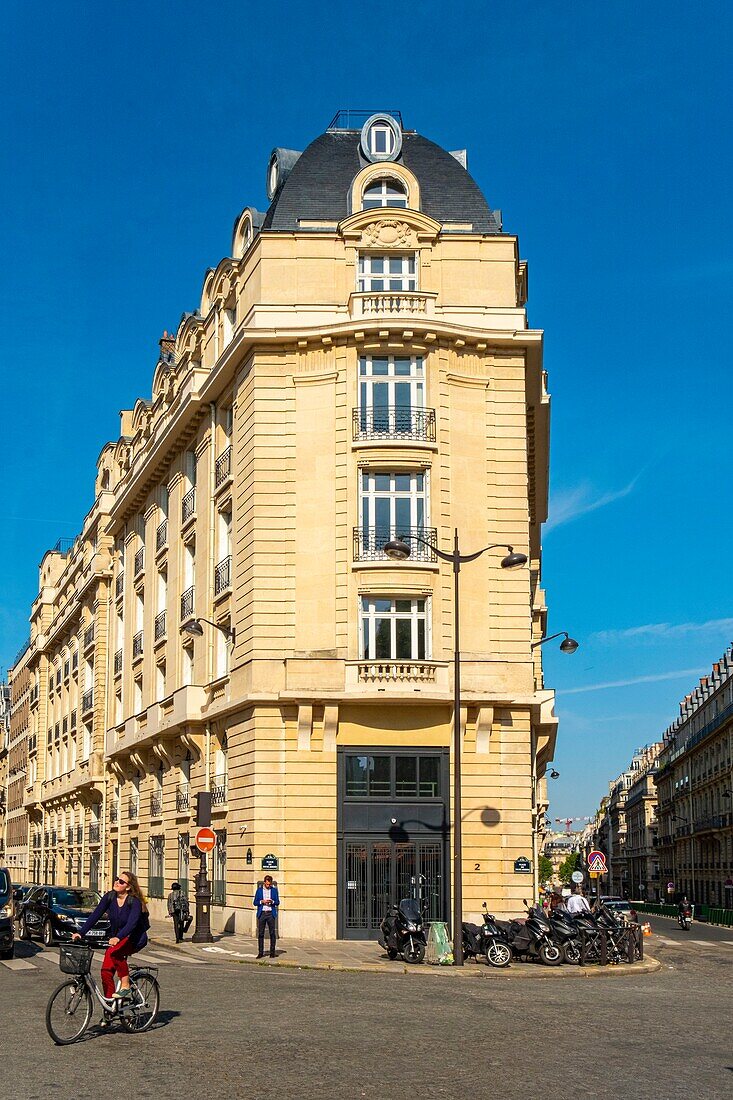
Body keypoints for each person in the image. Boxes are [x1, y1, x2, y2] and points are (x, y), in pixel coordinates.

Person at [72, 870, 149, 1009]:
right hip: (117, 939)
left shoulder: (134, 902)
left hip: (134, 938)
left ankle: (125, 984)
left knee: (116, 953)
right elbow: (95, 915)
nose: (116, 882)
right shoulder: (109, 897)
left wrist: (118, 937)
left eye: (121, 881)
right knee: (106, 972)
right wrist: (81, 933)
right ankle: (110, 1008)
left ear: (128, 887)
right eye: (116, 879)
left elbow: (132, 924)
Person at [253, 874, 280, 958]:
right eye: (267, 884)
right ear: (264, 882)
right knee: (261, 933)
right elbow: (255, 902)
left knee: (272, 933)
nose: (268, 886)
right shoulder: (259, 891)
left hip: (270, 913)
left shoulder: (274, 890)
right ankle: (260, 952)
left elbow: (278, 902)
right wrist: (262, 902)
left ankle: (272, 952)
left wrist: (272, 902)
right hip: (262, 913)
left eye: (270, 884)